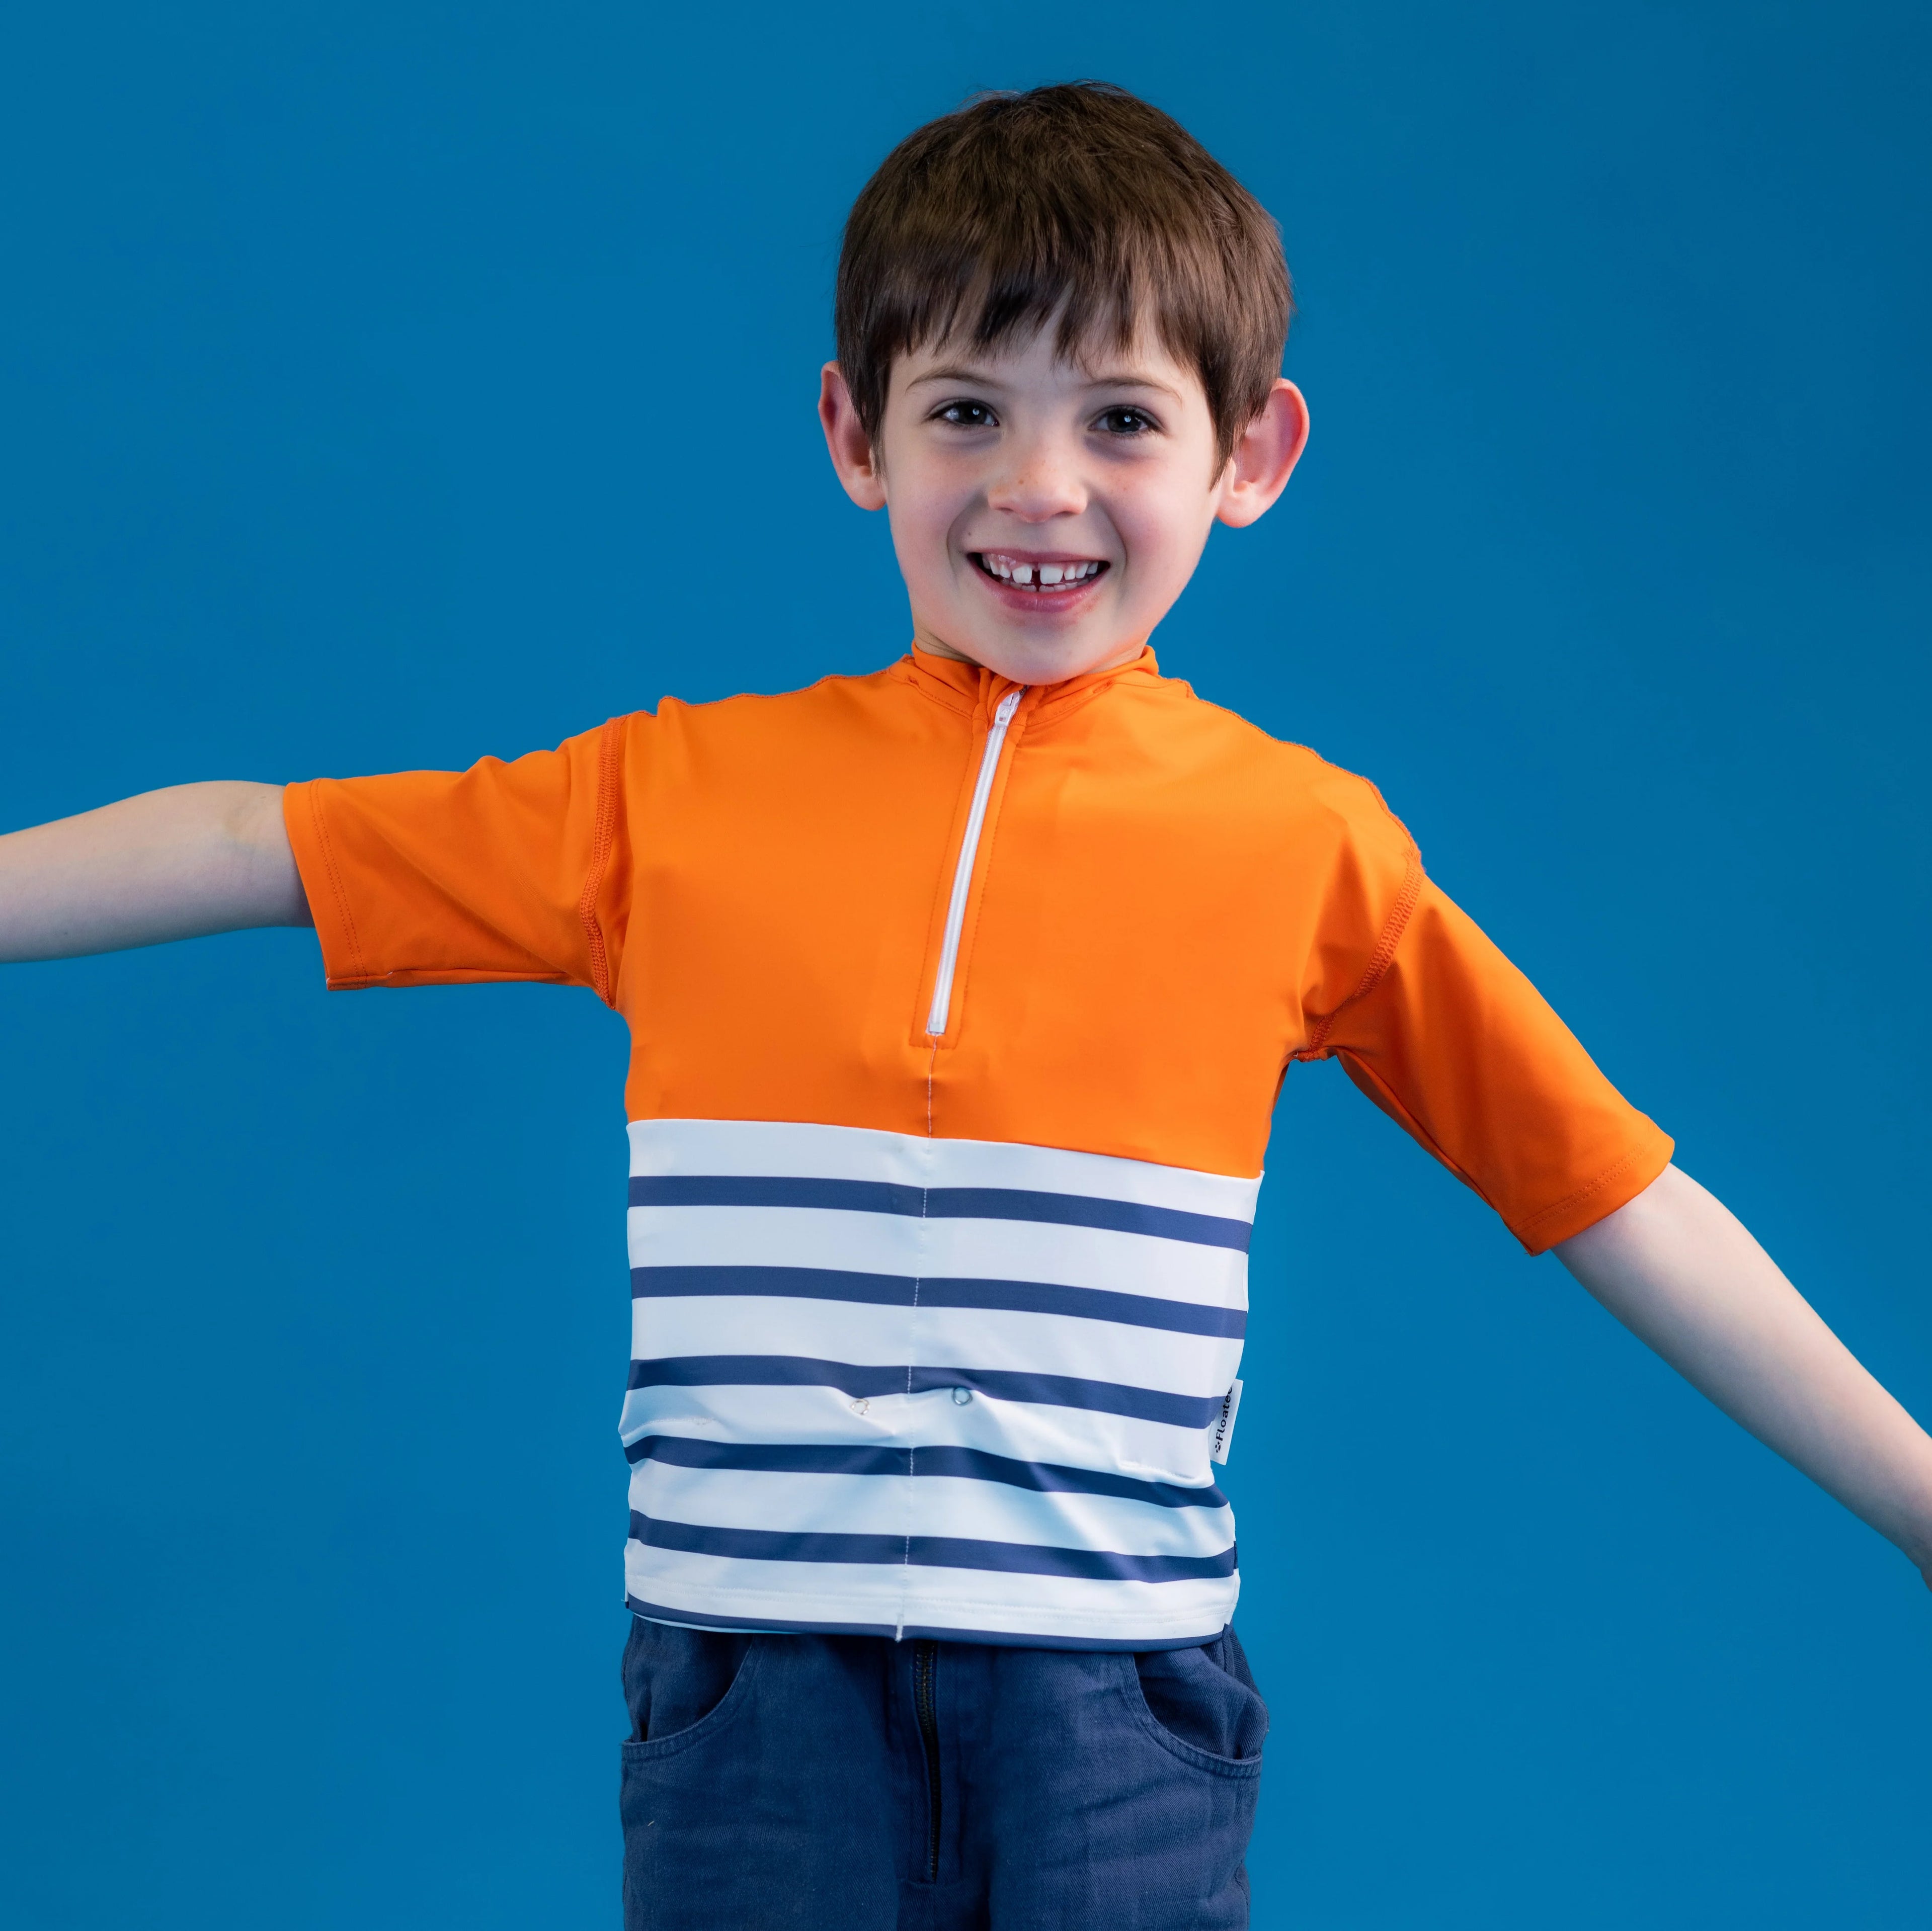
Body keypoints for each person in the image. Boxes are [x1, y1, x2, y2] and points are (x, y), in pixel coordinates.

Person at [2, 80, 1927, 1931]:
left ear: (1247, 458)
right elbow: (264, 840)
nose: (1037, 487)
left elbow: (1615, 1192)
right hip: (751, 1709)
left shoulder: (1314, 848)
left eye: (1119, 419)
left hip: (1115, 1719)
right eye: (965, 409)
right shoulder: (664, 803)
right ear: (856, 436)